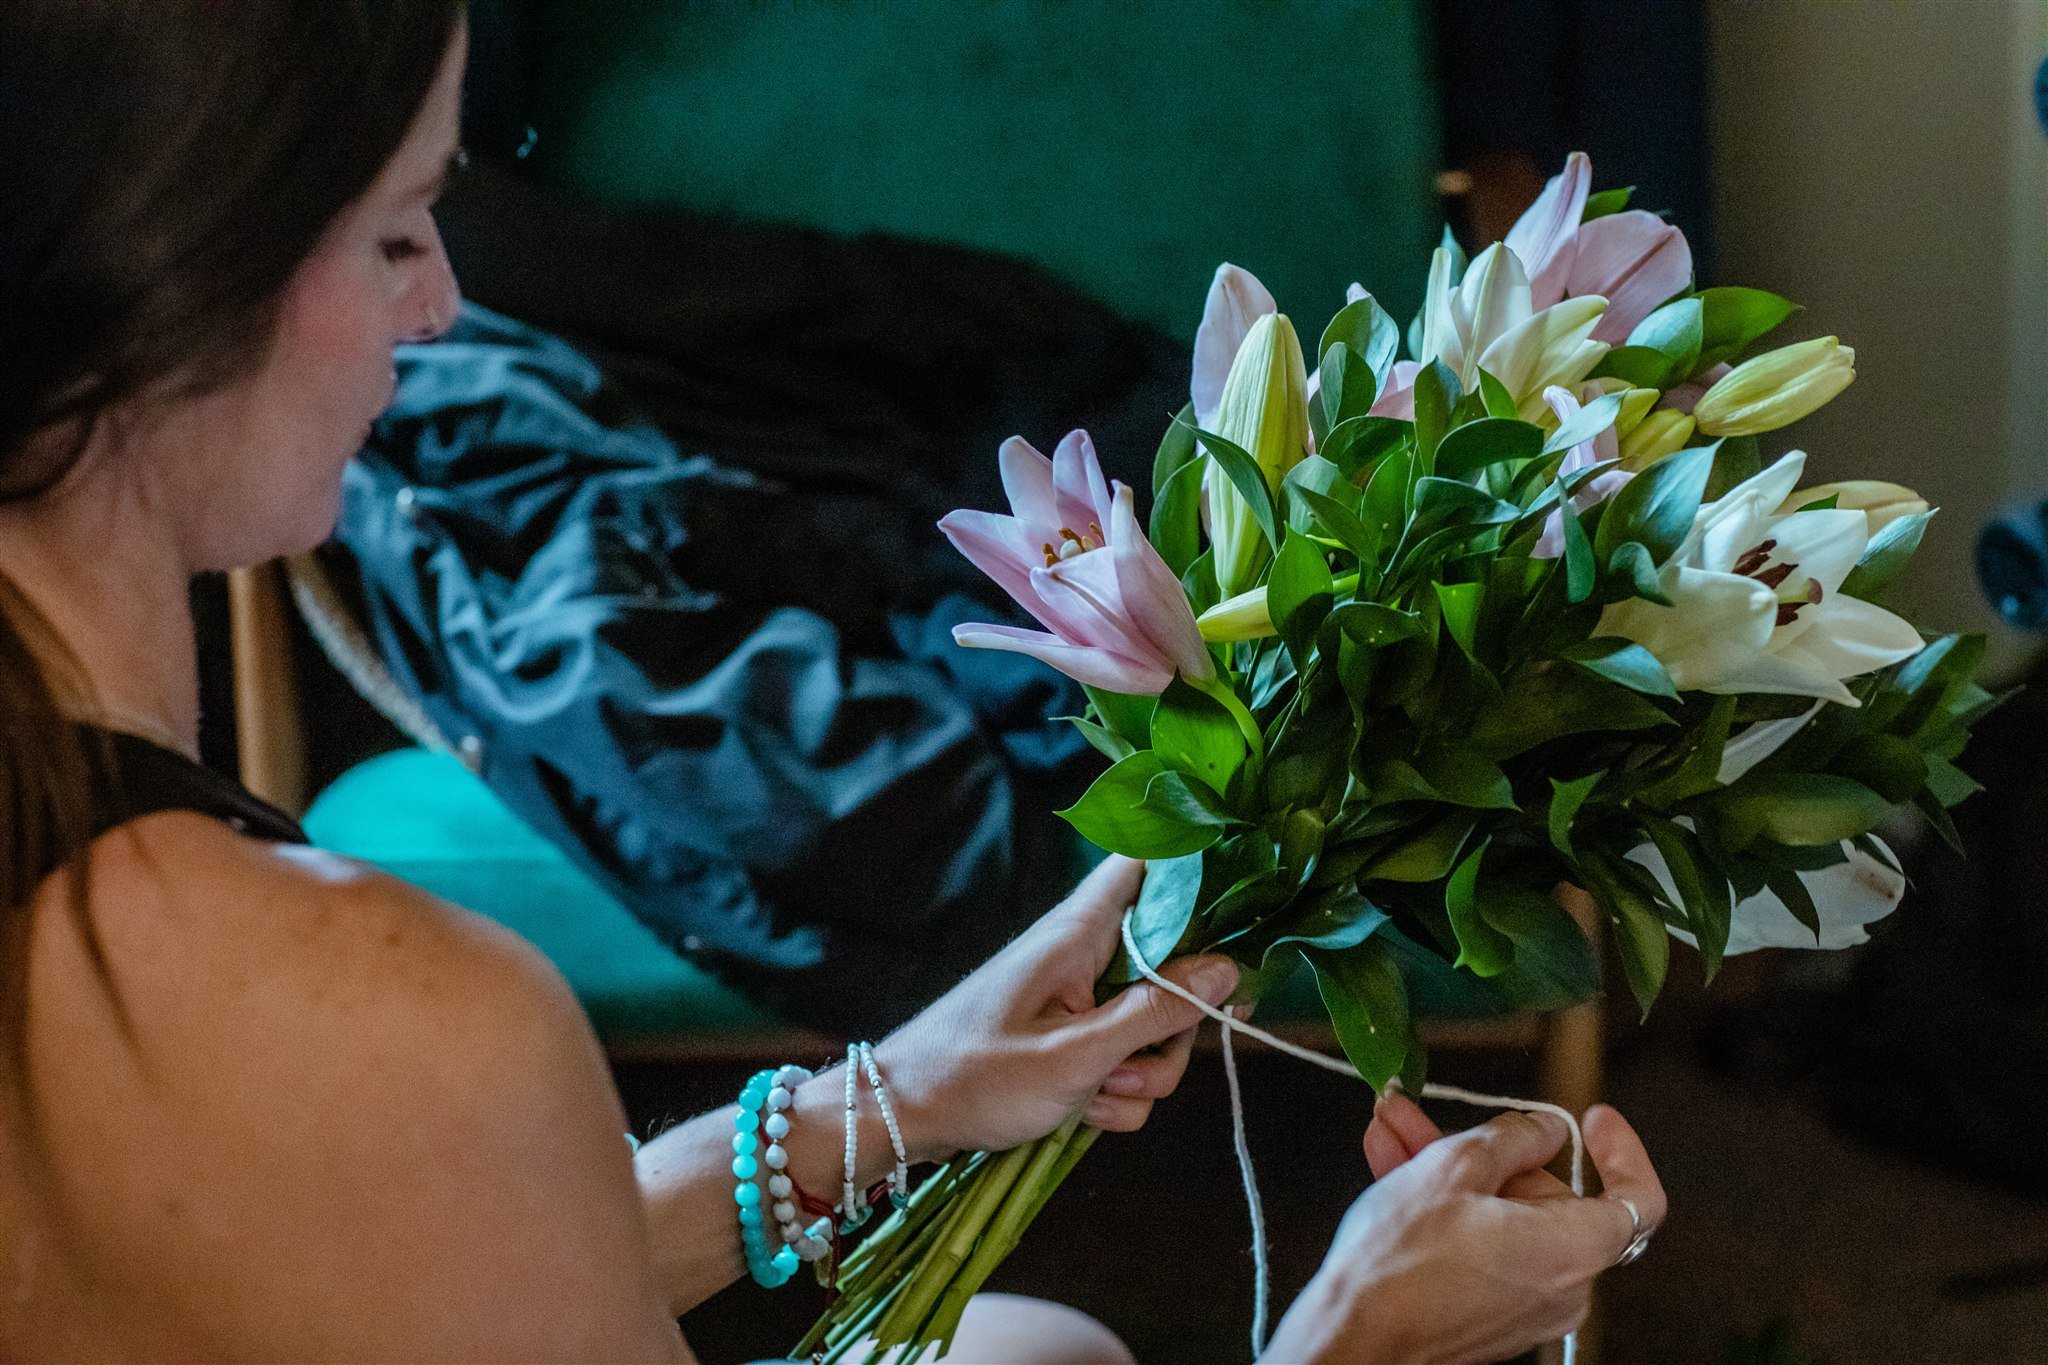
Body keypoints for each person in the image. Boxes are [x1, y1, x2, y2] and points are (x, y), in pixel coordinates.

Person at [0, 4, 1664, 1361]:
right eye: (397, 231)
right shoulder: (403, 1017)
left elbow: (391, 1293)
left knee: (1038, 1352)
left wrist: (880, 1102)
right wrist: (1356, 1339)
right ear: (171, 273)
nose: (443, 310)